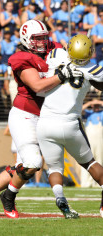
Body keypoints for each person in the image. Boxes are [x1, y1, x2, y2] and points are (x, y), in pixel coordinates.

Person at [0, 20, 78, 218]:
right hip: (24, 115)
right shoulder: (22, 58)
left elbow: (68, 55)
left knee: (22, 167)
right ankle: (8, 197)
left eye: (44, 37)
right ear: (26, 39)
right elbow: (37, 86)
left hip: (43, 116)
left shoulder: (53, 49)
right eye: (37, 39)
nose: (42, 42)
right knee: (34, 162)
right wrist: (62, 76)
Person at [37, 34, 103, 219]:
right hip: (69, 123)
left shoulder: (56, 54)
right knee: (90, 164)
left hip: (46, 122)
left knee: (55, 168)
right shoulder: (92, 68)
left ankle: (60, 198)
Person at [80, 98, 103, 187]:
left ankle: (98, 182)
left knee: (100, 159)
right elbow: (81, 110)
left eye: (98, 106)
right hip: (89, 141)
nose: (96, 107)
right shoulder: (88, 113)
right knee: (87, 160)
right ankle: (86, 183)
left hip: (100, 141)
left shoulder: (101, 113)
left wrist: (98, 102)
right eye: (95, 106)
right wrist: (91, 103)